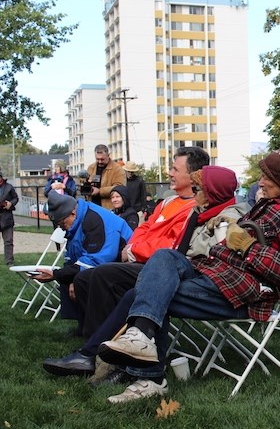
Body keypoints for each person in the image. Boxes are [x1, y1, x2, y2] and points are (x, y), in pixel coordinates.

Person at [97, 147, 280, 403]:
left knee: (155, 294)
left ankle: (150, 377)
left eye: (267, 177)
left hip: (242, 292)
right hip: (213, 272)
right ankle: (140, 343)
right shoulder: (270, 204)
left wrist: (250, 248)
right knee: (164, 257)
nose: (260, 182)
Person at [42, 165, 242, 379]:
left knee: (126, 281)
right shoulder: (190, 209)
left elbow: (183, 249)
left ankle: (110, 356)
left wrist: (138, 251)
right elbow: (146, 229)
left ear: (213, 192)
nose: (195, 194)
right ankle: (106, 352)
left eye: (199, 189)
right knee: (100, 278)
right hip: (167, 265)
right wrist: (134, 247)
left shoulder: (224, 218)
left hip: (188, 273)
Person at [68, 147, 210, 339]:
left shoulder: (193, 208)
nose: (170, 173)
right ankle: (94, 336)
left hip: (159, 269)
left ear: (193, 176)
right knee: (84, 278)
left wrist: (134, 250)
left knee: (103, 274)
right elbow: (144, 227)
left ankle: (98, 346)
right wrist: (131, 247)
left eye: (175, 169)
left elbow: (171, 245)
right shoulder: (168, 201)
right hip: (141, 258)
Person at [32, 191, 134, 324]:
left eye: (62, 223)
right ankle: (83, 324)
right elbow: (72, 256)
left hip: (125, 266)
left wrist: (56, 275)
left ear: (72, 213)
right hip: (106, 264)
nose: (61, 227)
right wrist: (63, 275)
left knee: (82, 278)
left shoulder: (94, 220)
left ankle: (97, 329)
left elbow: (97, 259)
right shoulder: (77, 221)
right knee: (67, 276)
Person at [85, 144, 126, 209]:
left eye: (102, 159)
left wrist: (99, 191)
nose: (100, 162)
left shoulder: (117, 169)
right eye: (97, 159)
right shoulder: (91, 167)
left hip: (109, 207)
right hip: (92, 206)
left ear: (108, 155)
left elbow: (120, 188)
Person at [0, 172, 18, 266]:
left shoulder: (9, 187)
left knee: (8, 241)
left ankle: (9, 261)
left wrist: (11, 204)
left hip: (6, 217)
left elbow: (16, 198)